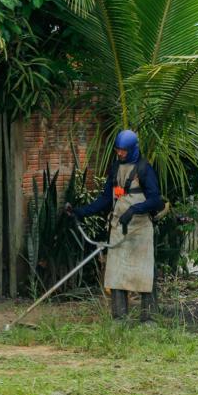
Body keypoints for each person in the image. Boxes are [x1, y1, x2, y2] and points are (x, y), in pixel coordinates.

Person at [68, 129, 164, 319]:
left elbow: (156, 201)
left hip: (140, 231)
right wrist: (80, 211)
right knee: (116, 275)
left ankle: (149, 318)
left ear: (133, 149)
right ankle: (119, 318)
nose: (119, 153)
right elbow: (105, 200)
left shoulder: (144, 169)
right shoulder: (115, 168)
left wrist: (133, 210)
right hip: (119, 229)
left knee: (144, 274)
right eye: (117, 150)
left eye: (123, 150)